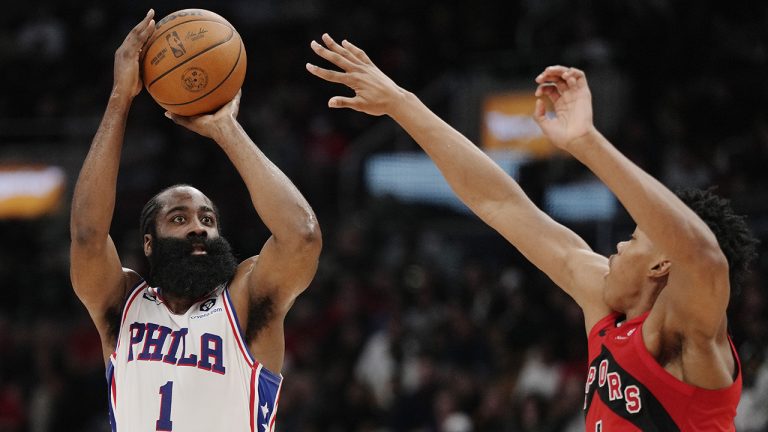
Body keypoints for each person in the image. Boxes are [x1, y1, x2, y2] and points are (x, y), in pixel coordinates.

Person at [306, 34, 757, 430]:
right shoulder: (602, 299)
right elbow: (499, 202)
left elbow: (703, 257)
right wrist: (402, 103)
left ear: (663, 263)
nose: (619, 244)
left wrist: (588, 145)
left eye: (635, 237)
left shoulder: (694, 341)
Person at [69, 10, 321, 432]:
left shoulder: (244, 300)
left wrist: (225, 129)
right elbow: (87, 235)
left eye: (207, 218)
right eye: (179, 218)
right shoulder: (122, 303)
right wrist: (120, 97)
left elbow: (302, 235)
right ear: (149, 242)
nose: (199, 228)